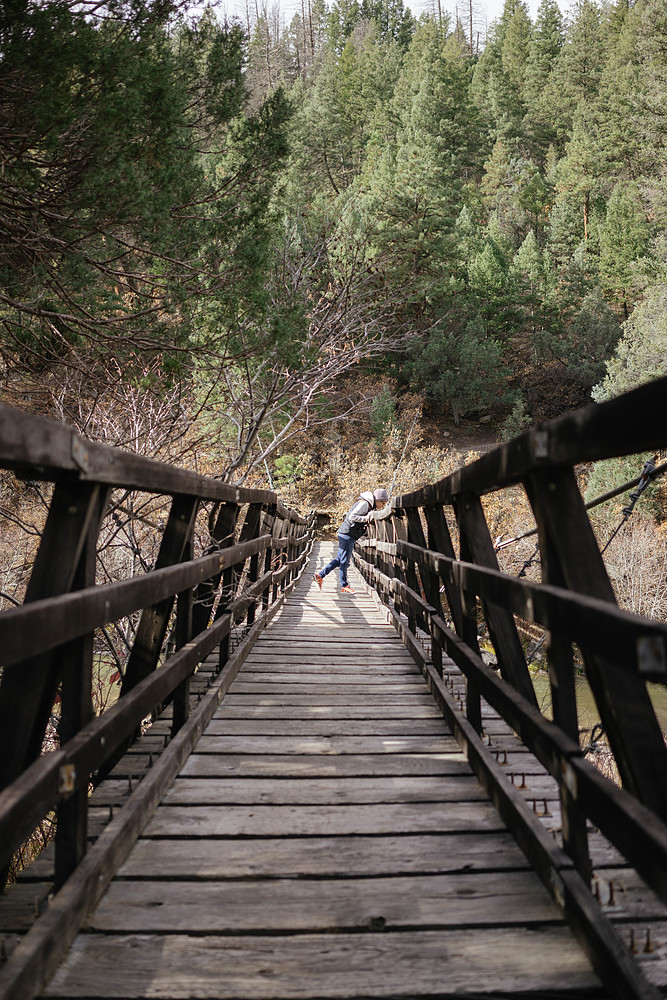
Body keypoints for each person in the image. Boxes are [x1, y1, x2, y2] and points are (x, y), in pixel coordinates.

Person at [313, 488, 389, 595]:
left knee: (339, 560)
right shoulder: (364, 504)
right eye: (382, 503)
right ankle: (344, 586)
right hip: (347, 535)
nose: (382, 506)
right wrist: (366, 518)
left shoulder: (368, 506)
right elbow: (352, 517)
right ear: (377, 500)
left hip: (347, 534)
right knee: (344, 562)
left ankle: (320, 576)